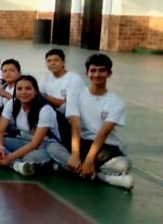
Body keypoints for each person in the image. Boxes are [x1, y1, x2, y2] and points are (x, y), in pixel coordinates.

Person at [47, 54, 134, 189]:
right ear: (87, 73)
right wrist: (75, 155)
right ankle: (102, 177)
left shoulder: (117, 102)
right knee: (52, 148)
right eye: (93, 70)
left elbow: (103, 134)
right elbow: (75, 125)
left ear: (109, 73)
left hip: (103, 145)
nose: (97, 74)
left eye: (101, 70)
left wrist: (89, 160)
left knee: (123, 164)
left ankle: (68, 169)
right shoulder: (75, 95)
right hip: (80, 143)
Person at [0, 75, 59, 176]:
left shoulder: (45, 109)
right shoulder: (12, 104)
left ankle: (14, 160)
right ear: (15, 92)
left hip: (44, 145)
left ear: (36, 91)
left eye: (28, 88)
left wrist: (9, 157)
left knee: (29, 157)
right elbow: (0, 131)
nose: (23, 92)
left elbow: (35, 144)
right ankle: (17, 165)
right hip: (22, 141)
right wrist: (0, 148)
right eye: (19, 89)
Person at [42, 49, 85, 113]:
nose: (52, 63)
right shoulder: (45, 79)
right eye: (49, 61)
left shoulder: (75, 79)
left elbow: (68, 105)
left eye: (56, 60)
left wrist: (45, 96)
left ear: (63, 62)